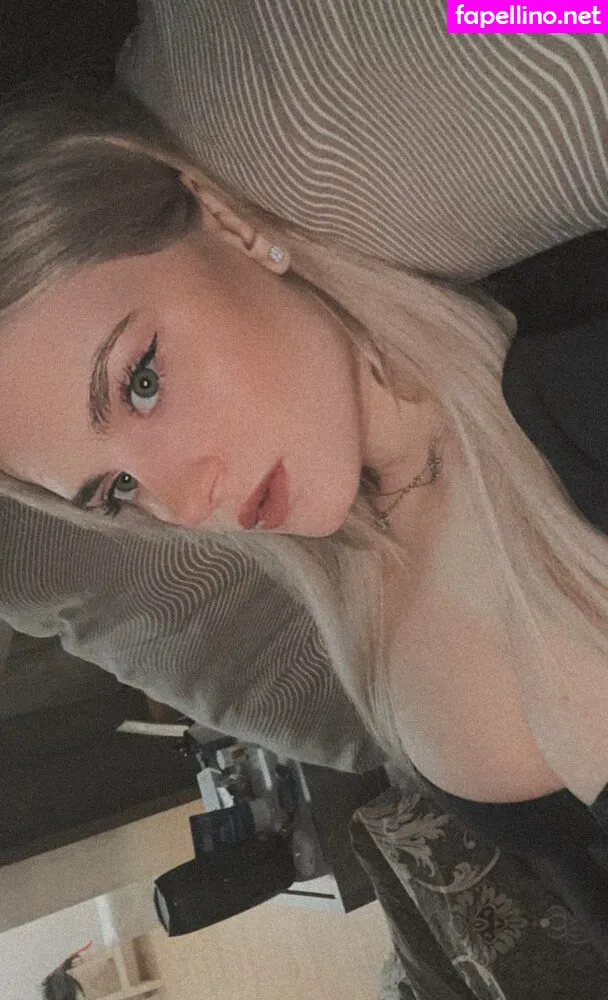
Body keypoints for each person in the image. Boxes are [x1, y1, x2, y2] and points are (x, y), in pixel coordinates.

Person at [0, 84, 607, 819]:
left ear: (228, 225)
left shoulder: (573, 361)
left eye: (144, 382)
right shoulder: (360, 613)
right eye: (118, 487)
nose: (187, 506)